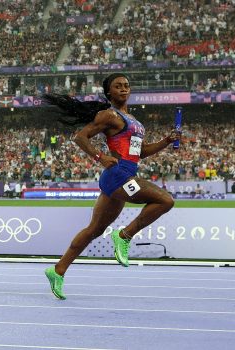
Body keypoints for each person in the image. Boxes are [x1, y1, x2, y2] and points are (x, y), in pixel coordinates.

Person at [43, 73, 179, 300]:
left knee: (93, 230)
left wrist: (165, 141)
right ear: (109, 93)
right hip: (118, 176)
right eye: (118, 86)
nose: (124, 89)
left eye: (126, 85)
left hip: (125, 177)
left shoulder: (135, 122)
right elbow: (80, 137)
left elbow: (141, 152)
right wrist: (100, 157)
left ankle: (57, 270)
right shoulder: (109, 115)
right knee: (165, 200)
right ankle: (124, 236)